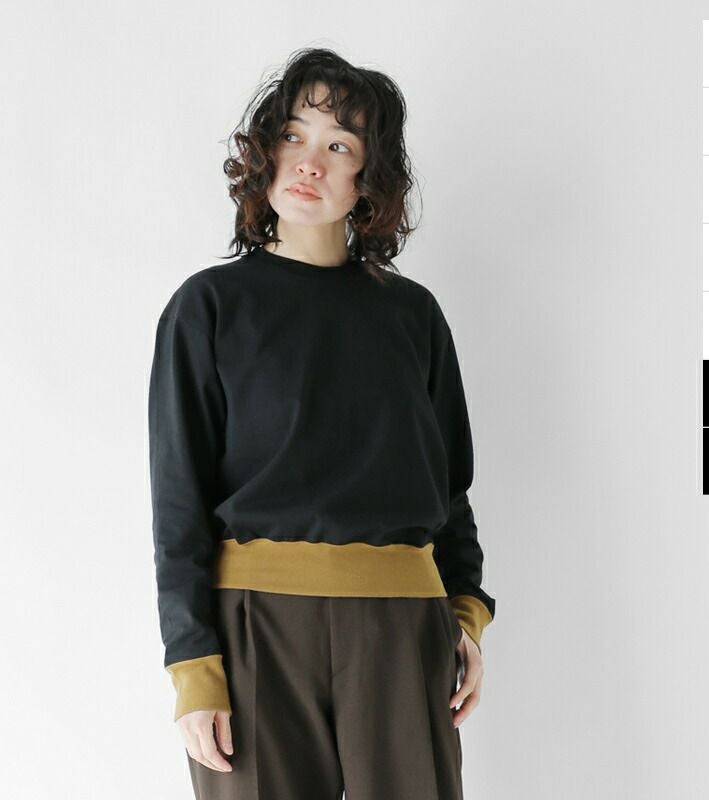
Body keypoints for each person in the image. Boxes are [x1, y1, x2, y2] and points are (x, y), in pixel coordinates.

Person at [148, 46, 495, 800]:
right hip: (254, 631)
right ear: (265, 152)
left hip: (402, 626)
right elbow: (179, 501)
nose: (309, 161)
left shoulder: (413, 316)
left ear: (368, 179)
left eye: (340, 145)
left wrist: (466, 613)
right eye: (293, 135)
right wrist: (194, 666)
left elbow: (450, 487)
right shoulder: (208, 308)